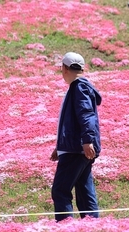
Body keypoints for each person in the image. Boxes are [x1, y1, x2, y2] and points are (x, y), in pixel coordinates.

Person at [50, 52, 102, 221]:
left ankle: (65, 229)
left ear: (64, 68)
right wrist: (60, 146)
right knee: (84, 190)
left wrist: (87, 140)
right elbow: (74, 121)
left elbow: (86, 115)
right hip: (75, 147)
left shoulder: (79, 87)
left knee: (60, 190)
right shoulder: (80, 87)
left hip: (77, 149)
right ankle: (93, 226)